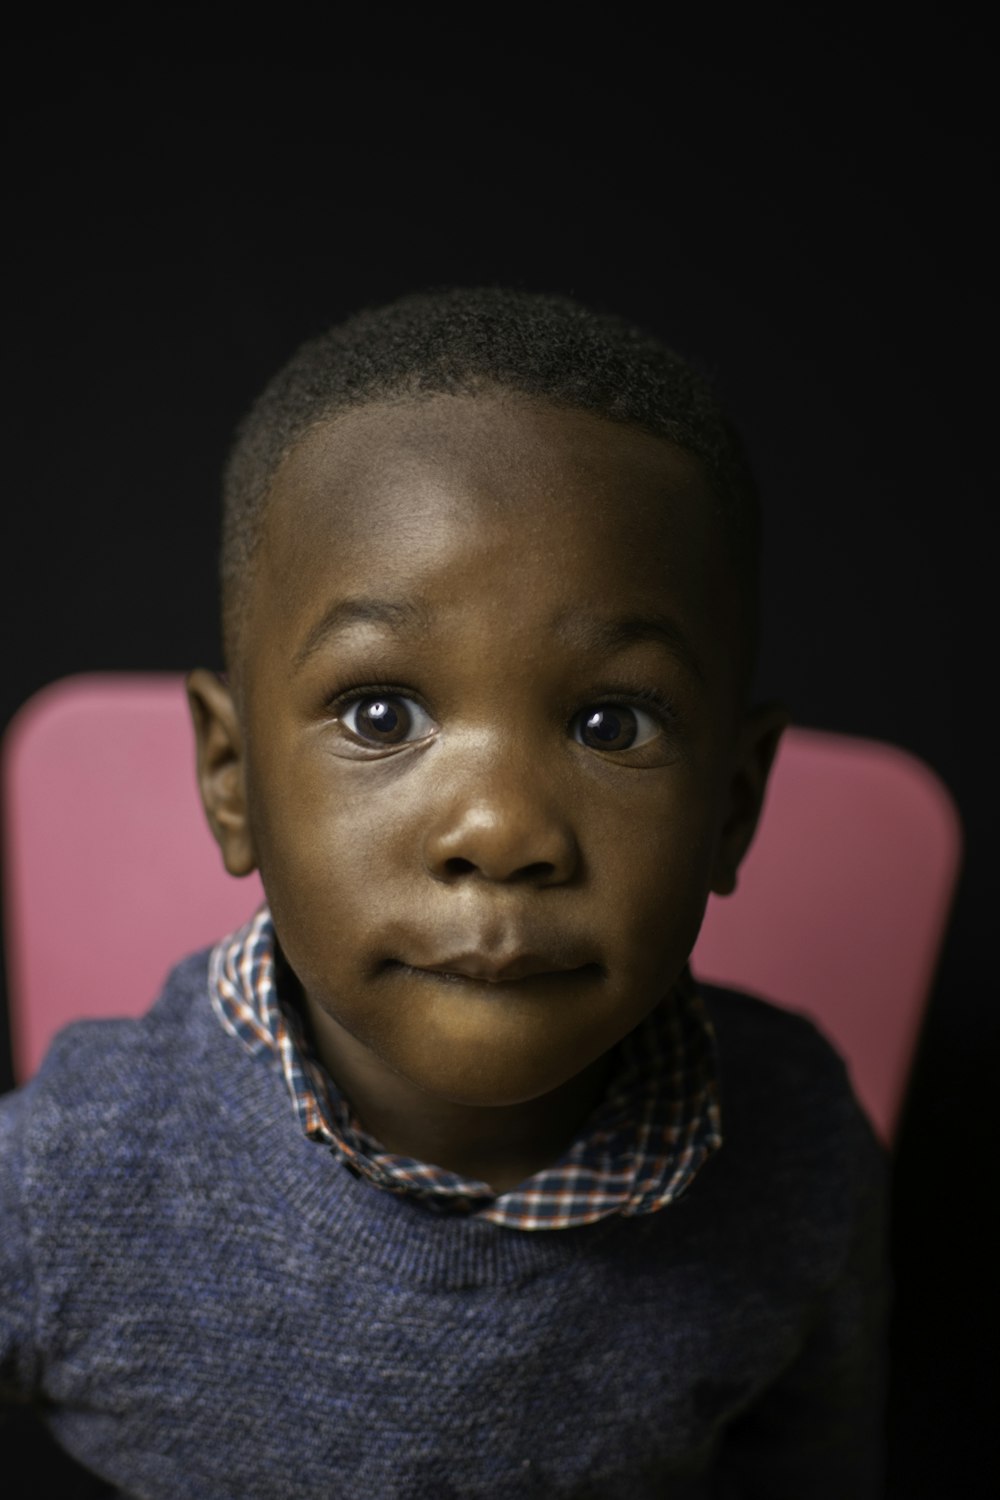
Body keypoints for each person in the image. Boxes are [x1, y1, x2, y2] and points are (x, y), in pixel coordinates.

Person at [0, 288, 888, 1497]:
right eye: (381, 715)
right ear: (232, 778)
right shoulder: (68, 1182)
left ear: (731, 807)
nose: (503, 830)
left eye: (608, 722)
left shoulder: (800, 1152)